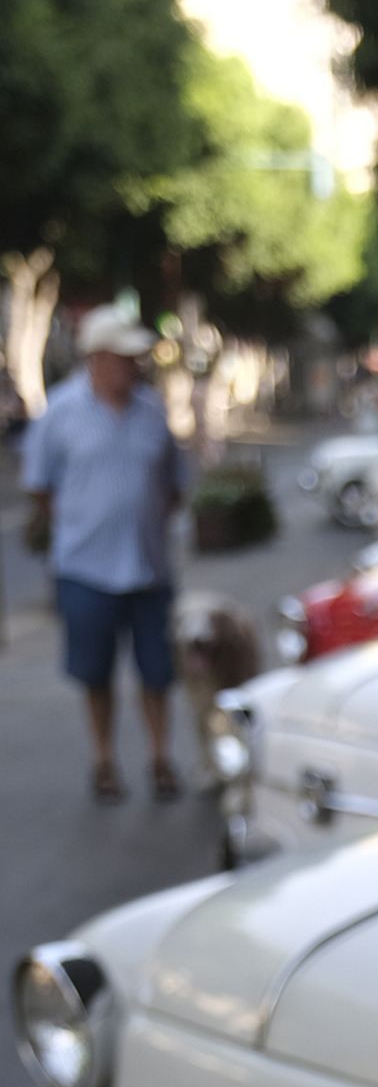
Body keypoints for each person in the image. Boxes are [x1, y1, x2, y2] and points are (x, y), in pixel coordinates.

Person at [22, 306, 186, 801]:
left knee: (157, 672)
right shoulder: (61, 413)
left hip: (149, 569)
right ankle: (105, 761)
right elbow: (40, 486)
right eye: (123, 357)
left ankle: (160, 757)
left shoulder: (152, 409)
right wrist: (80, 524)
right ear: (96, 358)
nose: (133, 366)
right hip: (86, 571)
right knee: (96, 675)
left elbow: (174, 483)